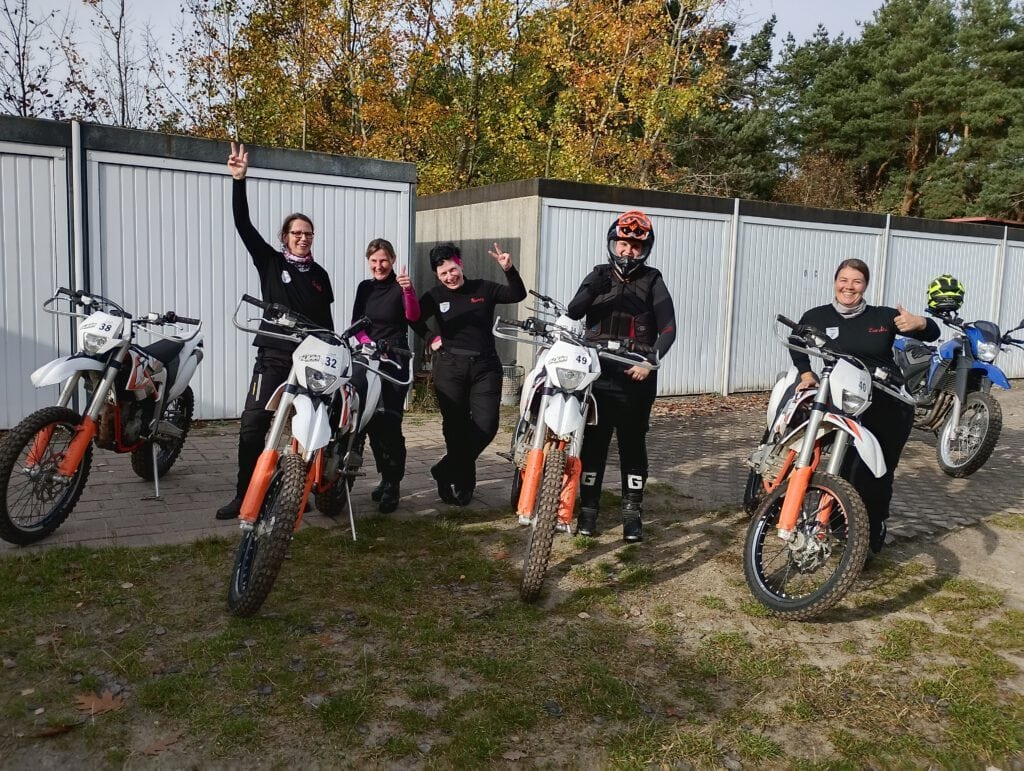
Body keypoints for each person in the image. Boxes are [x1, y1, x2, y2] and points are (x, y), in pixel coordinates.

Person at [216, 142, 335, 520]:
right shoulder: (268, 261)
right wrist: (239, 180)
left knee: (307, 429)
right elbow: (242, 225)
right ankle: (244, 494)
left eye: (309, 234)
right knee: (253, 425)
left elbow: (328, 326)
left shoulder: (320, 276)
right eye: (297, 233)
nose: (303, 238)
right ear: (285, 236)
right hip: (273, 353)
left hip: (309, 360)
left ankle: (297, 490)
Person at [790, 258, 940, 556]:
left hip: (888, 401)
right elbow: (797, 340)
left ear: (865, 285)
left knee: (874, 472)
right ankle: (830, 522)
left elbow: (930, 333)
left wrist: (920, 323)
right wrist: (805, 373)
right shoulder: (816, 316)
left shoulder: (882, 317)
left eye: (857, 281)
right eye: (844, 280)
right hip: (844, 399)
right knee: (838, 465)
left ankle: (871, 532)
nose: (849, 287)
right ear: (835, 282)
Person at [566, 210, 677, 542]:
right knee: (594, 443)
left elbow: (669, 328)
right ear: (612, 244)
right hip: (598, 374)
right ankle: (588, 511)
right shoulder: (598, 274)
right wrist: (591, 290)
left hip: (635, 376)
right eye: (622, 245)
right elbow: (573, 312)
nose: (627, 252)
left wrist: (650, 361)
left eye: (635, 247)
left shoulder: (653, 279)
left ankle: (632, 513)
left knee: (632, 445)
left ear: (645, 250)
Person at [409, 242, 527, 506]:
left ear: (460, 265)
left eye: (452, 270)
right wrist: (430, 337)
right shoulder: (434, 296)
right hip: (450, 368)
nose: (450, 277)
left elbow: (517, 294)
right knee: (456, 429)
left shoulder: (483, 288)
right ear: (437, 276)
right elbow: (413, 317)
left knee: (486, 426)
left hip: (485, 367)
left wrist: (508, 268)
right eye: (443, 274)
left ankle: (444, 470)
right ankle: (464, 484)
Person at [349, 238, 419, 513]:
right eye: (374, 261)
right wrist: (365, 342)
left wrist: (409, 291)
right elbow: (356, 323)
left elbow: (413, 317)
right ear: (369, 262)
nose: (379, 266)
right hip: (367, 358)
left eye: (384, 260)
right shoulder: (364, 288)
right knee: (365, 420)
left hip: (393, 358)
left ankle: (393, 483)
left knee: (389, 422)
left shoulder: (400, 287)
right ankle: (382, 475)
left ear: (392, 260)